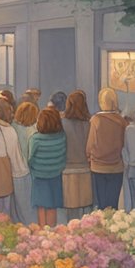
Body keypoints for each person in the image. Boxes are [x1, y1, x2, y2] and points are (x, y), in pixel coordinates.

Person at [87, 88, 129, 210]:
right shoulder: (122, 121)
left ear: (101, 102)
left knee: (101, 204)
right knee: (113, 203)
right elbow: (125, 144)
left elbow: (90, 144)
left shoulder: (96, 120)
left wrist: (89, 156)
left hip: (98, 167)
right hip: (116, 167)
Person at [28, 107, 68, 227]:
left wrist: (34, 168)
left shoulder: (35, 139)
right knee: (52, 205)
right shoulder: (62, 136)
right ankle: (52, 232)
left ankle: (42, 233)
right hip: (56, 175)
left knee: (41, 206)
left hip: (39, 176)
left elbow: (30, 158)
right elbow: (63, 154)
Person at [61, 90, 94, 219]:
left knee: (70, 213)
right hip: (86, 169)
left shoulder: (62, 123)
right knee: (86, 212)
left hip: (67, 169)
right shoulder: (90, 123)